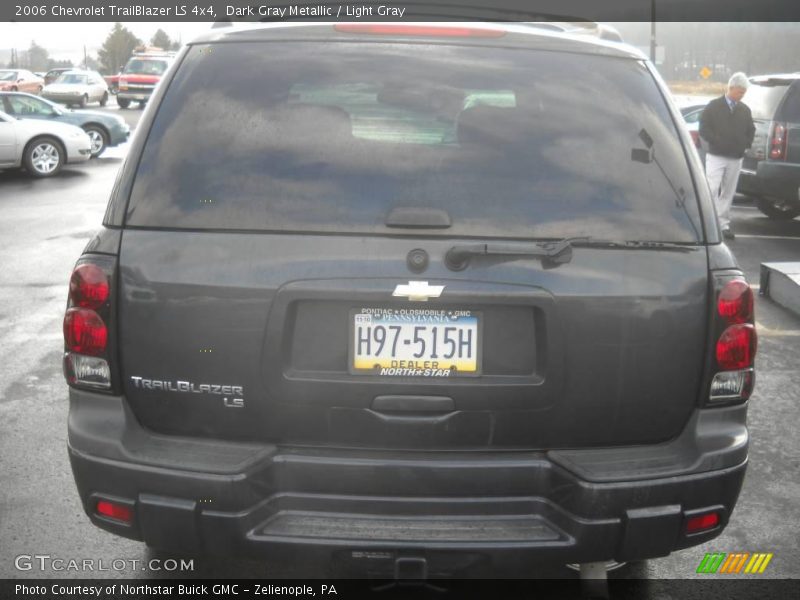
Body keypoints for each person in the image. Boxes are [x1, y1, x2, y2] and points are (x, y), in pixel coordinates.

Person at [699, 72, 756, 240]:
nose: (742, 95)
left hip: (735, 157)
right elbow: (703, 128)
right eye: (740, 92)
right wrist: (715, 141)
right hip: (716, 155)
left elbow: (751, 130)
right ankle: (705, 223)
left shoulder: (745, 110)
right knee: (711, 188)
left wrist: (745, 145)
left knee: (728, 192)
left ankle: (722, 224)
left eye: (744, 92)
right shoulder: (713, 106)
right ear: (731, 88)